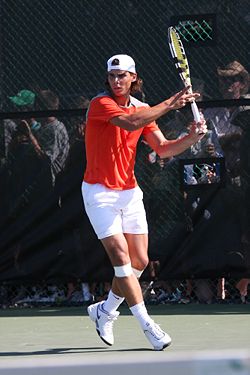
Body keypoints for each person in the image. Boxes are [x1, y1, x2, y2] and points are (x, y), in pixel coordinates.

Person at [81, 54, 207, 351]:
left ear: (133, 78)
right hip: (99, 193)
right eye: (112, 76)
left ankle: (105, 310)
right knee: (121, 257)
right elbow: (130, 122)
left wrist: (191, 138)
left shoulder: (142, 108)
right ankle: (147, 324)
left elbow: (163, 149)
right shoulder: (101, 104)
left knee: (139, 261)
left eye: (122, 76)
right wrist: (171, 103)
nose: (116, 81)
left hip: (129, 191)